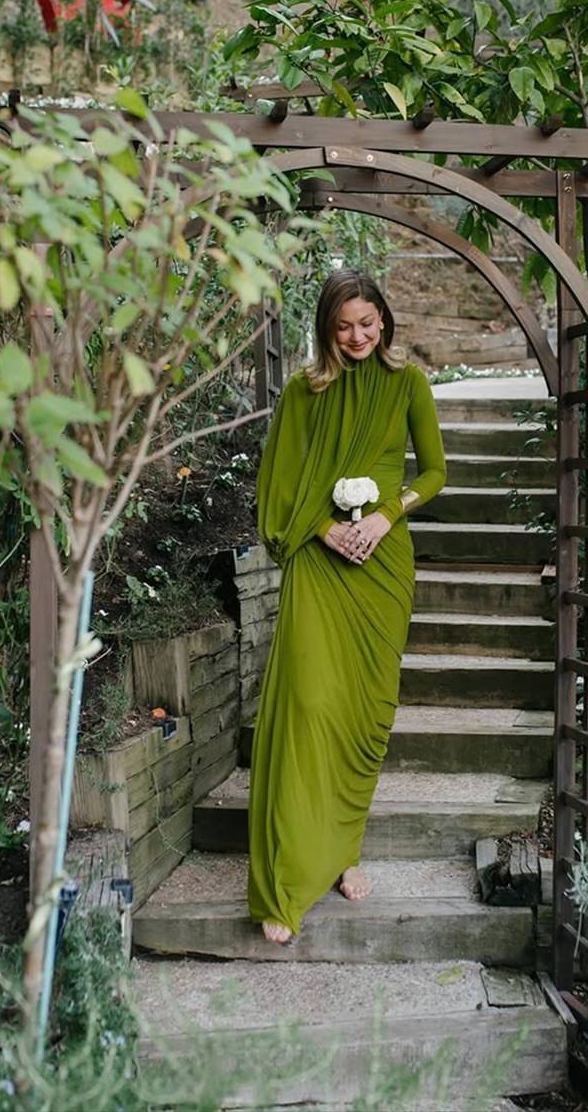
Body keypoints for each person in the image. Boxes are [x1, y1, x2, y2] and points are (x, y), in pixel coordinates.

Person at [248, 268, 447, 944]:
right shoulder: (303, 394)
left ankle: (344, 852)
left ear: (384, 321)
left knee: (363, 715)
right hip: (316, 561)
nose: (358, 336)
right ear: (326, 330)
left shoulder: (408, 384)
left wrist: (388, 515)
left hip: (383, 569)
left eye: (368, 324)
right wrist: (325, 528)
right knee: (309, 708)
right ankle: (286, 879)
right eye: (345, 327)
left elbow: (435, 472)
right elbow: (277, 484)